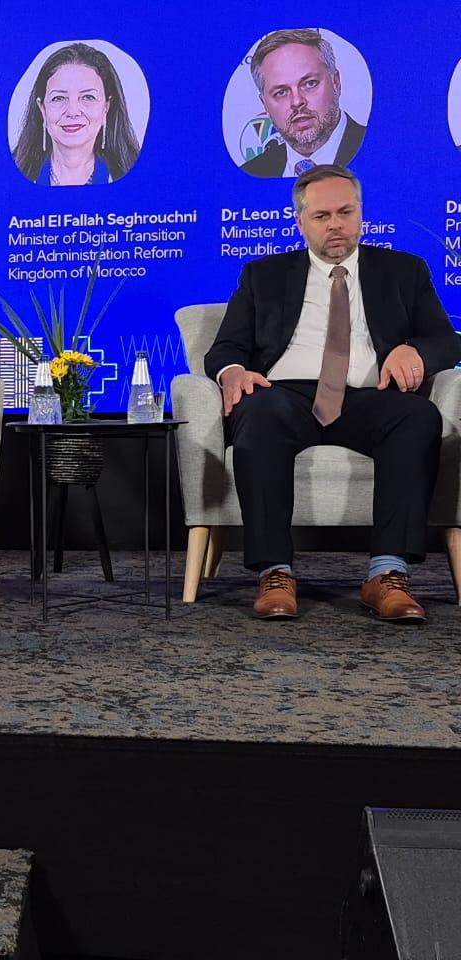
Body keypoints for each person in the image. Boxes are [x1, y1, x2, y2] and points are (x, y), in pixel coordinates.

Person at [204, 164, 460, 622]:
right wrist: (233, 372)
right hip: (286, 395)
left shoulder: (404, 271)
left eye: (345, 212)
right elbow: (226, 347)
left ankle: (387, 574)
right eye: (322, 216)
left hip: (371, 395)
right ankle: (275, 573)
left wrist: (415, 350)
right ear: (300, 222)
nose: (336, 225)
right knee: (257, 412)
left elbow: (446, 340)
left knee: (418, 416)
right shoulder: (263, 275)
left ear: (361, 213)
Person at [240, 29, 366, 178]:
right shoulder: (250, 174)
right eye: (281, 92)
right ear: (265, 104)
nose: (297, 101)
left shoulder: (378, 148)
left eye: (310, 84)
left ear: (336, 83)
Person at [12, 42, 141, 186]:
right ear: (42, 108)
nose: (73, 112)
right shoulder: (10, 178)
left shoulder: (138, 179)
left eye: (88, 97)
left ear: (106, 107)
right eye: (58, 98)